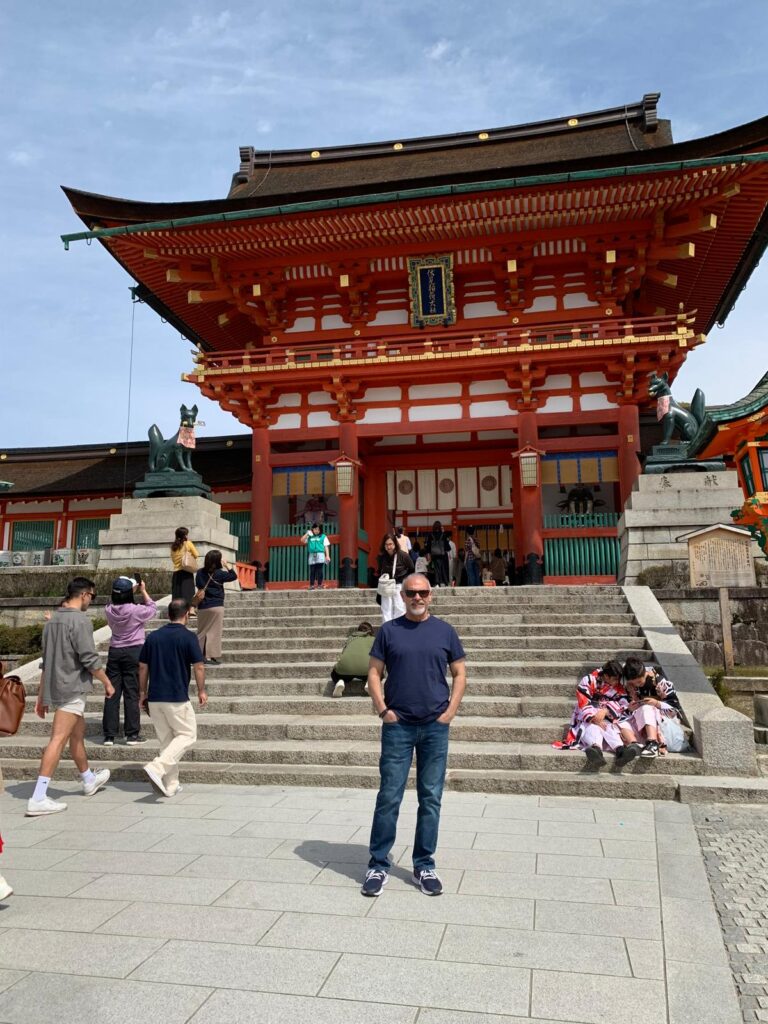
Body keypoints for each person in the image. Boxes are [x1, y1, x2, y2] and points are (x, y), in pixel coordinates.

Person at [362, 573, 466, 898]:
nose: (417, 598)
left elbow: (460, 672)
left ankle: (424, 864)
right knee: (389, 796)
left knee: (430, 798)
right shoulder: (389, 631)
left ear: (431, 595)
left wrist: (450, 711)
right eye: (411, 593)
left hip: (435, 726)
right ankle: (378, 864)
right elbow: (374, 673)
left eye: (422, 592)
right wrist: (383, 710)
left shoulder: (445, 631)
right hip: (398, 726)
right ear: (402, 596)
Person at [26, 577, 114, 817]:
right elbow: (88, 657)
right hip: (72, 686)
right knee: (59, 739)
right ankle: (39, 796)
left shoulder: (52, 621)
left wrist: (42, 695)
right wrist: (107, 682)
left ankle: (88, 778)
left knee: (77, 734)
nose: (91, 601)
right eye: (92, 597)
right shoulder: (80, 621)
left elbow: (46, 661)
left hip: (57, 685)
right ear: (85, 595)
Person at [139, 598, 207, 797]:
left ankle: (171, 785)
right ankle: (157, 767)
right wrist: (202, 690)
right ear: (186, 614)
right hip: (176, 696)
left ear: (169, 615)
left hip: (155, 697)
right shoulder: (188, 637)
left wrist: (142, 693)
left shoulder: (153, 637)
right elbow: (199, 666)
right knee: (188, 735)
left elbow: (143, 666)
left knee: (167, 741)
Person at [553, 659, 641, 768]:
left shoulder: (617, 685)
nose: (616, 682)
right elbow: (583, 702)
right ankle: (596, 749)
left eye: (618, 679)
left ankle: (621, 750)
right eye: (614, 679)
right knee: (591, 727)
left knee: (610, 727)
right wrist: (594, 718)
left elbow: (621, 702)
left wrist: (606, 710)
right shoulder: (589, 680)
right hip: (587, 715)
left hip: (608, 714)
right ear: (606, 676)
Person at [102, 575, 157, 746]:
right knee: (131, 692)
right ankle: (132, 734)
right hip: (134, 651)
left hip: (115, 651)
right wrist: (143, 590)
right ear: (128, 593)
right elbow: (153, 608)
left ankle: (109, 735)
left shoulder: (108, 609)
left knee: (111, 692)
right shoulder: (136, 610)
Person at [621, 655, 683, 759]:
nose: (637, 685)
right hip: (641, 722)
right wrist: (630, 709)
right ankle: (635, 744)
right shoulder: (629, 686)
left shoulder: (661, 683)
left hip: (663, 725)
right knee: (620, 721)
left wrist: (656, 703)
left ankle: (653, 743)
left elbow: (676, 709)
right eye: (634, 683)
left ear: (644, 673)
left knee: (646, 708)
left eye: (639, 682)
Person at [194, 550, 238, 665]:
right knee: (214, 632)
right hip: (216, 606)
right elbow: (233, 576)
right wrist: (227, 565)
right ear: (217, 561)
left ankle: (198, 655)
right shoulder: (219, 573)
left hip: (203, 606)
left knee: (202, 631)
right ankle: (209, 657)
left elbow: (198, 585)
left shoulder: (199, 572)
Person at [330, 621, 377, 698]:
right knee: (378, 672)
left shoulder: (350, 638)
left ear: (358, 630)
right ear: (371, 631)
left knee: (335, 674)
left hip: (346, 669)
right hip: (366, 670)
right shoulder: (374, 639)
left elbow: (343, 653)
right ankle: (369, 683)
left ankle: (340, 681)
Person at [376, 533, 415, 623]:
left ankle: (399, 629)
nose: (388, 547)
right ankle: (387, 629)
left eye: (390, 544)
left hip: (399, 584)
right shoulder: (382, 557)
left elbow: (411, 568)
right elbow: (380, 571)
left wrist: (405, 580)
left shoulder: (403, 555)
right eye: (386, 544)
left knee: (399, 607)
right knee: (386, 608)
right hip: (386, 585)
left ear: (395, 544)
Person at [170, 527, 199, 607]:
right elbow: (196, 554)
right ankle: (188, 610)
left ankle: (177, 610)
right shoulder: (188, 543)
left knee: (177, 593)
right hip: (186, 571)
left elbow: (173, 558)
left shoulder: (173, 546)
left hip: (176, 573)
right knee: (187, 593)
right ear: (185, 535)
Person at [301, 523, 331, 589]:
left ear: (320, 530)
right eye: (315, 529)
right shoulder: (309, 536)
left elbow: (326, 546)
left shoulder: (323, 536)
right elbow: (302, 540)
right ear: (312, 529)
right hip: (312, 554)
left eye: (318, 529)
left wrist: (327, 556)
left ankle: (319, 585)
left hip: (320, 554)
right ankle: (312, 585)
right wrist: (307, 534)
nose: (316, 530)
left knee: (319, 570)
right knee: (312, 570)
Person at [426, 521, 450, 588]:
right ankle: (445, 582)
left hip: (434, 555)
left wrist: (428, 554)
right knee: (444, 568)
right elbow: (448, 547)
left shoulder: (430, 535)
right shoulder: (443, 535)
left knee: (436, 569)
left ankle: (437, 583)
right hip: (443, 555)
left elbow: (428, 546)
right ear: (440, 527)